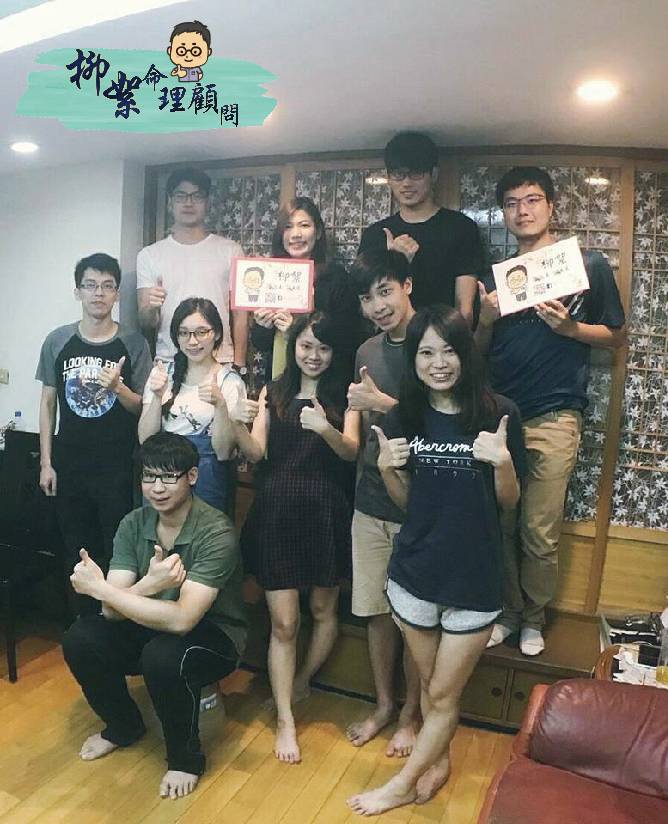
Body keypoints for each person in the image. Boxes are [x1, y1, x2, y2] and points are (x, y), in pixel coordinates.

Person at [347, 306, 524, 816]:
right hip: (415, 576)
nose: (438, 363)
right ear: (414, 360)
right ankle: (439, 759)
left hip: (473, 580)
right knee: (431, 687)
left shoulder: (498, 413)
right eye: (426, 352)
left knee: (443, 693)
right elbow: (409, 504)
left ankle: (402, 784)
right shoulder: (404, 415)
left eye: (448, 350)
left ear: (466, 353)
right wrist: (389, 470)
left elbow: (509, 502)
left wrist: (503, 463)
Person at [476, 166, 626, 655]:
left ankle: (534, 618)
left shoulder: (586, 266)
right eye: (512, 203)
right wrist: (485, 319)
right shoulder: (497, 279)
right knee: (501, 524)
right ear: (503, 214)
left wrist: (571, 330)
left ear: (551, 206)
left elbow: (616, 336)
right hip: (500, 416)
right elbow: (475, 354)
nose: (522, 210)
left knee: (538, 530)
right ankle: (508, 612)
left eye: (532, 199)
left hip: (556, 415)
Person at [61, 432, 247, 800]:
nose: (157, 488)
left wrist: (100, 589)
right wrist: (148, 584)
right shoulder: (133, 523)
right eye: (149, 477)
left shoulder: (216, 531)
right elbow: (111, 612)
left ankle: (185, 759)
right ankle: (123, 726)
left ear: (192, 476)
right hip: (146, 619)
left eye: (168, 477)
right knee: (81, 637)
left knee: (163, 655)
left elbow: (183, 620)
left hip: (216, 635)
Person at [232, 312, 359, 764]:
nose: (314, 355)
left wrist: (325, 428)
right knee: (285, 623)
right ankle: (286, 720)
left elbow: (352, 452)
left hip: (326, 513)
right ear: (293, 346)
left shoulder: (346, 396)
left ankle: (303, 681)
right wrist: (236, 422)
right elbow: (256, 452)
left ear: (334, 352)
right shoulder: (274, 391)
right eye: (306, 345)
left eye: (323, 348)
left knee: (324, 609)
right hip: (277, 512)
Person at [36, 253, 152, 615]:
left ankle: (113, 623)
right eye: (90, 285)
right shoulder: (58, 341)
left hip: (117, 468)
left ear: (117, 293)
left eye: (107, 286)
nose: (98, 293)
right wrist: (46, 463)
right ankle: (81, 624)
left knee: (116, 549)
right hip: (69, 465)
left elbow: (144, 408)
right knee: (75, 547)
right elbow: (48, 404)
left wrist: (119, 388)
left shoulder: (134, 344)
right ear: (78, 292)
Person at [344, 249, 421, 758]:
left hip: (419, 501)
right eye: (368, 297)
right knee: (375, 611)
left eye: (386, 291)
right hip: (370, 498)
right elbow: (361, 430)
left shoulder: (435, 341)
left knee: (415, 619)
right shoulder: (366, 350)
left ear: (407, 285)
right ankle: (384, 705)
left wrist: (382, 405)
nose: (378, 305)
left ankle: (413, 716)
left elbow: (446, 419)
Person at [358, 131, 484, 325]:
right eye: (398, 174)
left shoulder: (461, 228)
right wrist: (394, 261)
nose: (406, 183)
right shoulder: (375, 235)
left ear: (433, 174)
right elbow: (365, 302)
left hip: (442, 338)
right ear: (389, 178)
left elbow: (465, 310)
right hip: (391, 337)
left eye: (416, 173)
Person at [136, 167, 249, 376]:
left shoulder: (231, 251)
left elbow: (240, 315)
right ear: (170, 202)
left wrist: (239, 364)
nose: (188, 203)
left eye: (196, 196)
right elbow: (145, 322)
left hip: (220, 360)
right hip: (169, 361)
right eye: (181, 196)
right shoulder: (149, 255)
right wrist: (152, 307)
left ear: (207, 203)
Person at [138, 297, 246, 515]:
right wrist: (157, 397)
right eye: (184, 333)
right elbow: (145, 440)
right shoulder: (161, 374)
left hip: (208, 478)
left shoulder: (230, 382)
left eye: (201, 332)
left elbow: (224, 452)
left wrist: (220, 405)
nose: (192, 341)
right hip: (163, 476)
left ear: (217, 333)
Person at [251, 195, 365, 382]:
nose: (296, 234)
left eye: (304, 225)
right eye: (288, 227)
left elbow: (348, 336)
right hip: (281, 377)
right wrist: (263, 325)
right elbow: (261, 343)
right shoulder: (271, 275)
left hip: (325, 378)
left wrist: (297, 330)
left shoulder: (336, 278)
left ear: (318, 232)